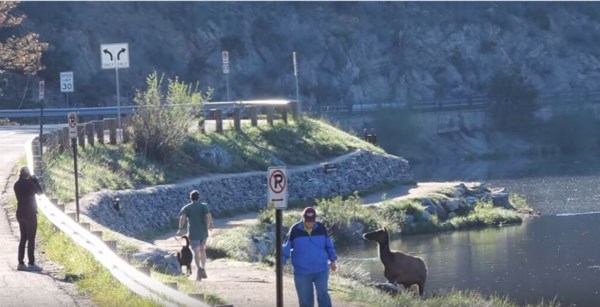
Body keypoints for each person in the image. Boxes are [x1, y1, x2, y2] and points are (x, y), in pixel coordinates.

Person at [282, 207, 337, 307]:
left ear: (315, 219)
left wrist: (332, 260)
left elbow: (329, 245)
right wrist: (281, 262)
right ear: (303, 218)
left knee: (323, 296)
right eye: (307, 221)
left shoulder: (321, 228)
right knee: (305, 302)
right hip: (302, 272)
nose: (309, 223)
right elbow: (286, 247)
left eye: (312, 221)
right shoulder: (295, 230)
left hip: (321, 270)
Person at [176, 190, 213, 281]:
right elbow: (208, 215)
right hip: (203, 232)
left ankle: (199, 268)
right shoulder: (204, 206)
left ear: (190, 198)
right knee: (202, 250)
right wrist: (210, 224)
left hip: (193, 233)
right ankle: (203, 267)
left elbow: (182, 218)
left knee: (196, 252)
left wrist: (180, 229)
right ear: (198, 197)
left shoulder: (187, 208)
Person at [13, 166, 43, 272]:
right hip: (30, 213)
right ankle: (31, 263)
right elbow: (40, 192)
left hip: (20, 213)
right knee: (31, 238)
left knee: (23, 238)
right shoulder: (29, 183)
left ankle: (20, 263)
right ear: (27, 174)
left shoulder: (16, 184)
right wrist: (35, 180)